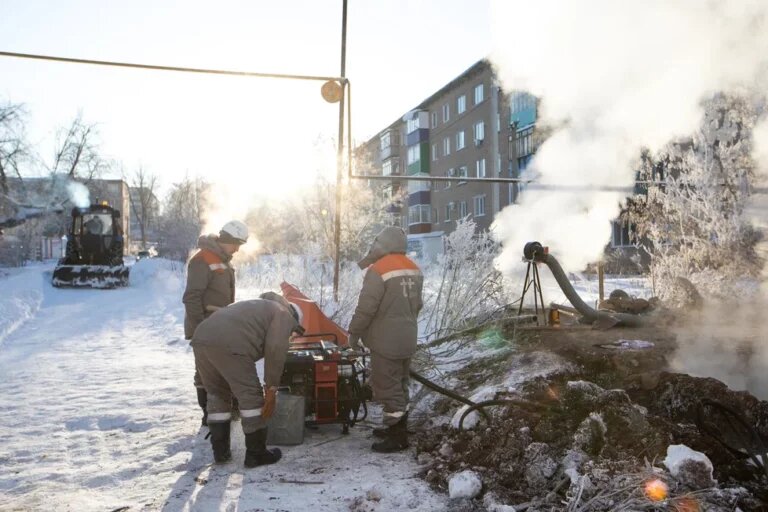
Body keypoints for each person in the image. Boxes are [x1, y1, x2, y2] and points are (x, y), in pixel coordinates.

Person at [190, 293, 303, 467]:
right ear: (293, 317)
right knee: (251, 396)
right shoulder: (283, 313)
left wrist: (200, 382)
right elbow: (275, 349)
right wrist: (272, 388)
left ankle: (220, 452)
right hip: (229, 342)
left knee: (218, 395)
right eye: (292, 332)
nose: (290, 336)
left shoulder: (258, 306)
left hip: (201, 337)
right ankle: (256, 454)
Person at [348, 226, 423, 453]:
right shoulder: (414, 268)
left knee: (387, 386)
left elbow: (366, 308)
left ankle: (397, 436)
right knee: (400, 383)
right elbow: (418, 305)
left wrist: (354, 333)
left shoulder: (379, 270)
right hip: (408, 337)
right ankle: (396, 426)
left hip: (385, 341)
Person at [183, 220, 249, 425]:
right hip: (205, 327)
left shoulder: (224, 259)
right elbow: (191, 297)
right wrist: (201, 327)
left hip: (221, 327)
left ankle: (227, 408)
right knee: (205, 372)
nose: (238, 249)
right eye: (236, 244)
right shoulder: (202, 259)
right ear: (226, 239)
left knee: (225, 367)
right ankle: (208, 414)